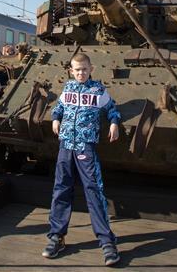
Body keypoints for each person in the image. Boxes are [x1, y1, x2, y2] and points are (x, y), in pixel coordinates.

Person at [43, 52, 121, 267]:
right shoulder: (67, 88)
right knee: (61, 188)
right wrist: (55, 118)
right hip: (66, 145)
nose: (81, 73)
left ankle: (106, 241)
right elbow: (58, 107)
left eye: (84, 69)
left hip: (85, 146)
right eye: (77, 70)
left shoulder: (98, 90)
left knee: (93, 189)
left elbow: (112, 109)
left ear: (91, 69)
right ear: (71, 70)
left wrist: (114, 123)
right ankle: (56, 236)